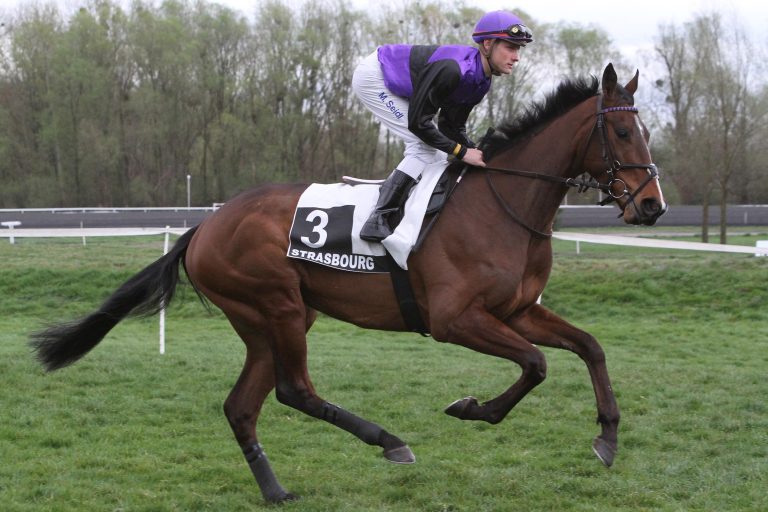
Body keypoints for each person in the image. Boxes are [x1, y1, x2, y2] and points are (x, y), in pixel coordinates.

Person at [351, 10, 533, 242]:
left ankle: (416, 214)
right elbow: (419, 124)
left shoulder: (481, 81)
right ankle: (378, 218)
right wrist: (462, 152)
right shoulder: (453, 70)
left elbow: (451, 127)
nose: (516, 57)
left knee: (437, 153)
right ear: (487, 44)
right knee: (424, 147)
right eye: (510, 47)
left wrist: (477, 151)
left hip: (402, 84)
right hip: (375, 76)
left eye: (518, 49)